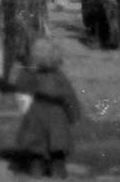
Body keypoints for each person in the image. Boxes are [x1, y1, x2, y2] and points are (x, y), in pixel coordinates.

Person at [12, 38, 81, 178]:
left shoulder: (30, 76)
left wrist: (25, 110)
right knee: (58, 147)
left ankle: (36, 170)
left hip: (36, 114)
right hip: (57, 116)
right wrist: (74, 114)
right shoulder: (59, 77)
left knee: (36, 146)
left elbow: (22, 91)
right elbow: (69, 97)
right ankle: (58, 171)